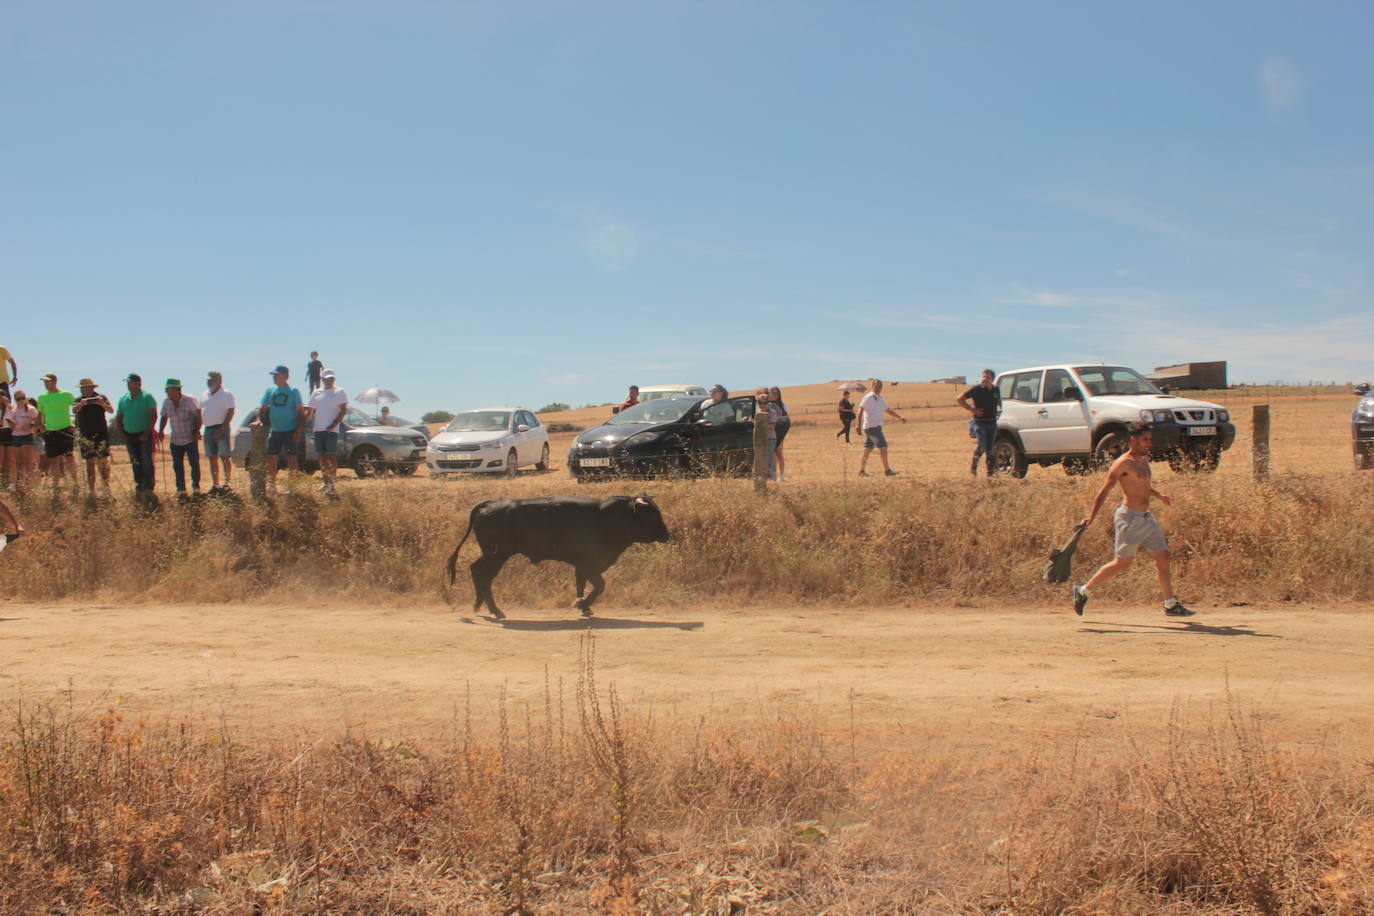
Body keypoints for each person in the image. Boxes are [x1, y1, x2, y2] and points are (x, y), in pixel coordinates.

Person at [1072, 421, 1193, 618]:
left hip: (1146, 518)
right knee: (1121, 564)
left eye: (1150, 440)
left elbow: (1143, 485)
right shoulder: (1122, 464)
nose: (1148, 443)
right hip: (1129, 519)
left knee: (1163, 557)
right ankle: (1083, 591)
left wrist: (1159, 496)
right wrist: (1091, 516)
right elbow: (1104, 491)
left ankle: (1170, 604)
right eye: (1145, 440)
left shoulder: (1143, 460)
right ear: (1133, 440)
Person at [258, 365, 304, 494]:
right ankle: (272, 485)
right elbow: (263, 407)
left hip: (290, 429)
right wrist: (259, 420)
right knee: (271, 457)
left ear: (286, 376)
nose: (275, 377)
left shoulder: (293, 391)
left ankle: (292, 486)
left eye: (277, 375)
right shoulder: (270, 390)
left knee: (292, 457)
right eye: (274, 375)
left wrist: (298, 431)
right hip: (275, 429)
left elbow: (301, 413)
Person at [114, 373, 159, 496]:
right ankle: (140, 486)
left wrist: (146, 433)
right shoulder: (123, 399)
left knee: (146, 461)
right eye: (128, 383)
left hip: (144, 435)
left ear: (139, 383)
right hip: (129, 436)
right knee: (135, 462)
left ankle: (149, 487)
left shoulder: (147, 397)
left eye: (131, 382)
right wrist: (121, 434)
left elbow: (153, 416)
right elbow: (118, 418)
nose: (129, 385)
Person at [306, 369, 348, 495]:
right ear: (322, 380)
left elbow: (343, 410)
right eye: (327, 379)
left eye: (332, 379)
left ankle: (332, 483)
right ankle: (325, 482)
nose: (330, 381)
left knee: (331, 456)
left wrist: (334, 424)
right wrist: (303, 424)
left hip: (331, 430)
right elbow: (310, 411)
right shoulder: (316, 393)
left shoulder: (339, 392)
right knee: (322, 457)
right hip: (318, 429)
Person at [158, 379, 203, 497]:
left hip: (190, 439)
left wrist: (196, 431)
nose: (166, 391)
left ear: (176, 390)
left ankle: (196, 487)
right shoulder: (166, 402)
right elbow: (164, 417)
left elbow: (198, 416)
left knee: (194, 464)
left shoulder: (190, 400)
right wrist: (161, 431)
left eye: (168, 389)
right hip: (175, 440)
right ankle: (181, 489)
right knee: (177, 466)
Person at [856, 379, 906, 477]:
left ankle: (861, 471)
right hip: (872, 427)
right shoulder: (868, 397)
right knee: (883, 448)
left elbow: (887, 410)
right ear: (872, 386)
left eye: (880, 386)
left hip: (875, 427)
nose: (879, 387)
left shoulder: (880, 398)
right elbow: (860, 410)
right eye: (877, 385)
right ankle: (887, 470)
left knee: (867, 450)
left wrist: (899, 417)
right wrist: (857, 425)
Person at [956, 369, 1001, 477]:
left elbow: (998, 401)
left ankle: (991, 474)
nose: (985, 379)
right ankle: (973, 468)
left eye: (988, 377)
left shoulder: (996, 389)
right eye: (984, 376)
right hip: (980, 423)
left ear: (992, 379)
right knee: (982, 446)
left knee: (991, 449)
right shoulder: (977, 389)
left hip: (992, 422)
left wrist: (999, 409)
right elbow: (959, 399)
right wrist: (972, 410)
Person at [73, 378, 113, 496]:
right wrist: (81, 404)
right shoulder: (78, 400)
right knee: (89, 463)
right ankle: (91, 490)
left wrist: (101, 403)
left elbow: (111, 410)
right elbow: (74, 411)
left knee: (103, 462)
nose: (83, 389)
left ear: (92, 388)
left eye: (86, 387)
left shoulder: (101, 397)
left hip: (101, 434)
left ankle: (106, 487)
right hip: (85, 435)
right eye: (82, 387)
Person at [201, 371, 237, 493]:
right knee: (212, 457)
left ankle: (227, 483)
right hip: (208, 428)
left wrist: (222, 428)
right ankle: (215, 484)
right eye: (208, 380)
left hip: (221, 428)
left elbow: (231, 412)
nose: (209, 382)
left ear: (219, 380)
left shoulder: (226, 394)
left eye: (211, 379)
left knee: (224, 456)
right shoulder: (204, 394)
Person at [7, 390, 38, 493]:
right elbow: (11, 424)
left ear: (25, 398)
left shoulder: (31, 409)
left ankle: (32, 486)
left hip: (27, 436)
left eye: (22, 398)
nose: (20, 401)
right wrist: (11, 425)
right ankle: (22, 485)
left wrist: (30, 425)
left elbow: (37, 422)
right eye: (18, 399)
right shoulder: (13, 410)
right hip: (16, 436)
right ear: (15, 400)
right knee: (18, 463)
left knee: (27, 462)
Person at [756, 387, 781, 478]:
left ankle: (772, 477)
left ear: (768, 403)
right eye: (760, 403)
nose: (762, 405)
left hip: (770, 438)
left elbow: (772, 426)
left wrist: (758, 423)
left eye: (764, 403)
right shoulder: (756, 412)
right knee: (761, 458)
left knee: (770, 458)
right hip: (759, 439)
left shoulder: (772, 412)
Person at [768, 386, 790, 482]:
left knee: (779, 453)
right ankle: (772, 475)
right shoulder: (767, 405)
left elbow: (785, 419)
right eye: (772, 393)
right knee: (770, 455)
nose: (773, 395)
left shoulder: (783, 405)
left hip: (780, 432)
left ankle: (781, 476)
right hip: (770, 432)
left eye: (776, 393)